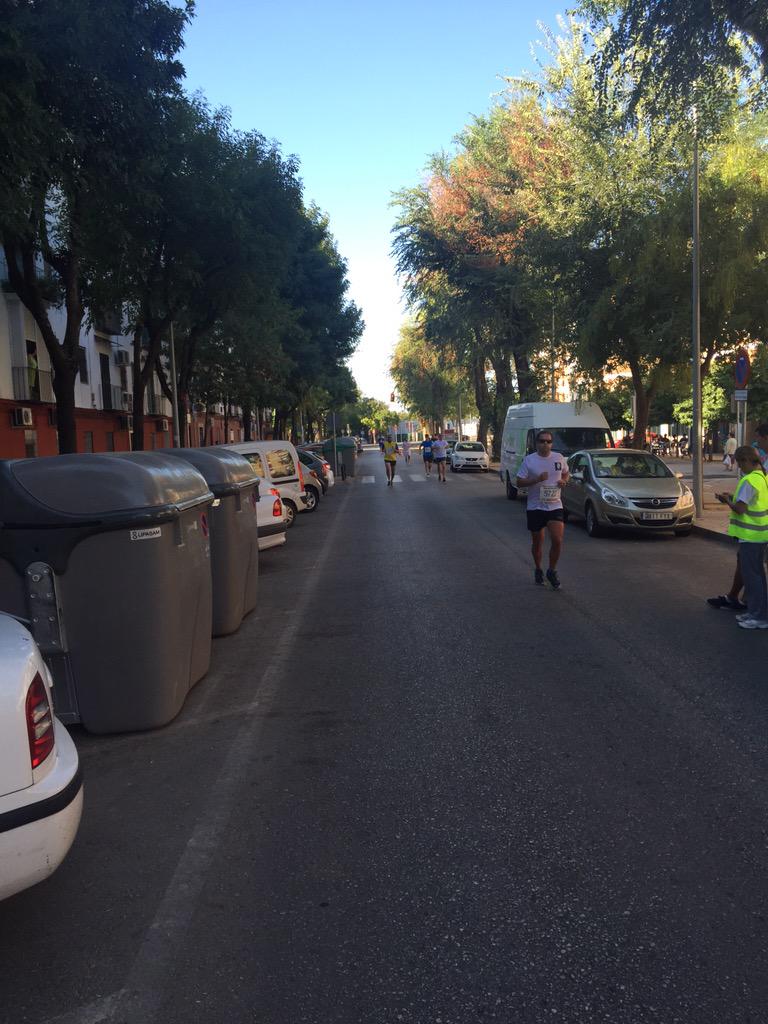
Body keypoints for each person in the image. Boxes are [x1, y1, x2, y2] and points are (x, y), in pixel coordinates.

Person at [715, 446, 768, 629]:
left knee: (753, 578)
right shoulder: (762, 477)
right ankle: (756, 613)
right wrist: (733, 497)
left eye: (739, 463)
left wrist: (727, 501)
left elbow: (740, 509)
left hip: (751, 536)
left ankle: (759, 617)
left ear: (745, 460)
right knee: (758, 576)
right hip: (759, 534)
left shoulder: (749, 480)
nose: (739, 466)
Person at [516, 430, 570, 589]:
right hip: (535, 507)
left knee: (557, 539)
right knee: (538, 542)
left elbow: (566, 473)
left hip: (555, 505)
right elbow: (519, 482)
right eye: (541, 441)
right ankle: (538, 568)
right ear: (536, 443)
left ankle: (552, 570)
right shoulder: (529, 460)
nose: (545, 444)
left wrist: (563, 481)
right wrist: (536, 480)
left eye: (548, 441)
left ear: (552, 443)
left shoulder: (559, 458)